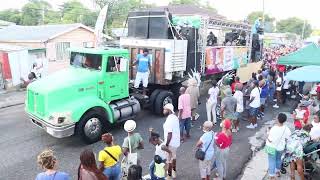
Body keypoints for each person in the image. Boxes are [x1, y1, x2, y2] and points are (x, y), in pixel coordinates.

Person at [265, 113, 291, 179]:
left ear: (278, 119)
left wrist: (268, 132)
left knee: (271, 161)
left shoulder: (274, 128)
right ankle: (277, 172)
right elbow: (288, 137)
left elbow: (270, 140)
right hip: (281, 147)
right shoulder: (286, 128)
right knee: (278, 159)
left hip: (271, 147)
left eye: (276, 117)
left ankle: (272, 176)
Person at [163, 103, 180, 179]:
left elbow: (169, 134)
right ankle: (174, 171)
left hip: (170, 143)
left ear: (169, 110)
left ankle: (169, 176)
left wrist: (166, 144)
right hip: (176, 142)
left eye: (165, 109)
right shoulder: (175, 117)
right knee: (174, 157)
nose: (163, 110)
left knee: (169, 160)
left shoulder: (169, 120)